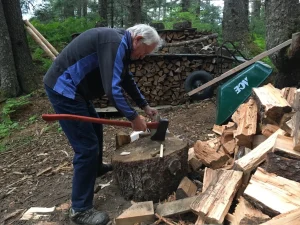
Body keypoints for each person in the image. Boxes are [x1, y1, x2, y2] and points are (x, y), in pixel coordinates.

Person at [43, 24, 163, 225]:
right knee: (86, 147)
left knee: (95, 129)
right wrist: (134, 117)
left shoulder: (121, 46)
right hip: (64, 88)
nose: (143, 57)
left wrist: (145, 106)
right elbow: (112, 89)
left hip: (78, 92)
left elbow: (126, 80)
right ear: (138, 39)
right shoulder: (113, 42)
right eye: (144, 52)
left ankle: (96, 168)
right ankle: (80, 209)